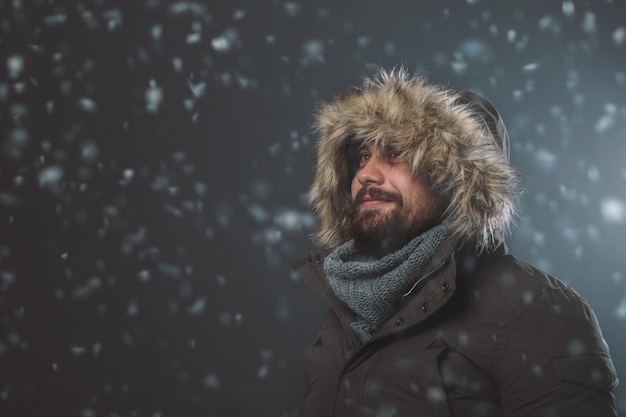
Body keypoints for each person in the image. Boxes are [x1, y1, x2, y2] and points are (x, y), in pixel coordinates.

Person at [293, 68, 618, 417]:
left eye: (397, 152)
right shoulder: (348, 306)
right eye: (363, 156)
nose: (365, 174)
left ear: (456, 178)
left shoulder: (537, 310)